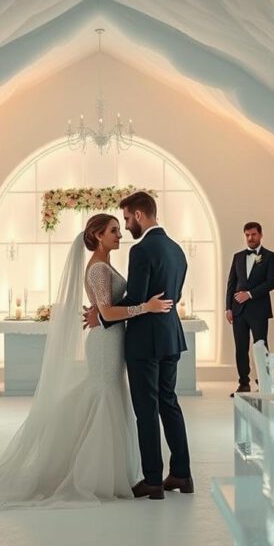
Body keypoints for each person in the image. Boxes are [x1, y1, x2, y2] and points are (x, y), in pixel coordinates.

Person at [0, 214, 172, 507]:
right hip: (103, 342)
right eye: (113, 230)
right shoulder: (98, 269)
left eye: (118, 229)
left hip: (112, 338)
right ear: (98, 235)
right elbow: (108, 313)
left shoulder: (106, 264)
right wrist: (146, 307)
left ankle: (107, 472)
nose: (120, 234)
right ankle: (92, 475)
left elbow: (104, 310)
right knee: (102, 395)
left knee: (107, 394)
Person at [85, 191, 193, 500]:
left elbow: (138, 299)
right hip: (171, 335)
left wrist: (102, 317)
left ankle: (153, 481)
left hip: (145, 342)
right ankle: (182, 475)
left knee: (146, 410)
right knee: (169, 403)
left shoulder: (142, 250)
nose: (127, 226)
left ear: (140, 215)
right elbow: (175, 297)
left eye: (128, 219)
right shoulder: (177, 250)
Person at [225, 222, 274, 395]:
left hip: (259, 309)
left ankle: (265, 382)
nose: (250, 238)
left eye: (253, 234)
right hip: (238, 310)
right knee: (241, 348)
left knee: (261, 346)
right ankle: (243, 383)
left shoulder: (270, 256)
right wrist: (228, 308)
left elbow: (270, 283)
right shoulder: (238, 256)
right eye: (247, 235)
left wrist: (250, 294)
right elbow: (231, 283)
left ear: (261, 235)